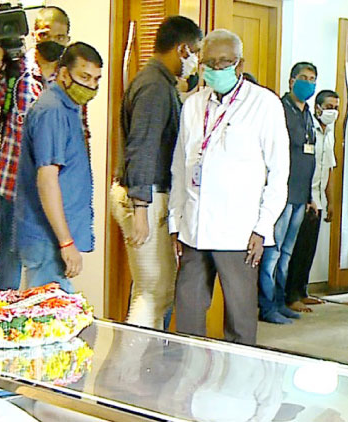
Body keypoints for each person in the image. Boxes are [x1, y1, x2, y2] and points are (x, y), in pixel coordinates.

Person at [168, 29, 289, 345]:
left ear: (240, 64)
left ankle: (239, 377)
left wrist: (262, 228)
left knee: (240, 322)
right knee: (188, 317)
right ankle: (188, 375)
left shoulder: (264, 104)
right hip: (194, 229)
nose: (216, 69)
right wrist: (175, 223)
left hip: (240, 233)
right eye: (209, 63)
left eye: (224, 63)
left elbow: (278, 174)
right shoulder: (193, 105)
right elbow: (180, 168)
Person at [0, 6, 73, 291]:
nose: (52, 41)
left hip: (55, 194)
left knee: (51, 275)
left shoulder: (70, 79)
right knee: (8, 273)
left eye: (60, 37)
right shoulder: (15, 71)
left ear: (68, 39)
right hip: (13, 191)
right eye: (45, 34)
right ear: (33, 34)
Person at [115, 15, 202, 329]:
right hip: (146, 195)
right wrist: (140, 208)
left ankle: (142, 356)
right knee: (154, 294)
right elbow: (143, 146)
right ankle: (133, 358)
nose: (196, 61)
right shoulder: (153, 87)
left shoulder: (159, 83)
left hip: (146, 193)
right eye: (196, 52)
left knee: (150, 291)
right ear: (182, 49)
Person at [13, 42, 102, 293]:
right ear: (64, 74)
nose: (91, 86)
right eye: (84, 77)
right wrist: (65, 242)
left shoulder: (68, 107)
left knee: (55, 310)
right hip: (47, 240)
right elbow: (47, 180)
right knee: (48, 311)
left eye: (96, 79)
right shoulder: (52, 111)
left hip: (53, 238)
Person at [258, 61, 318, 324]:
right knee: (272, 253)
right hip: (281, 193)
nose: (308, 83)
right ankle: (267, 305)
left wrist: (309, 197)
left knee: (286, 254)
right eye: (304, 78)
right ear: (292, 81)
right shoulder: (280, 109)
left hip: (300, 194)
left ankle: (280, 301)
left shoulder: (308, 115)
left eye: (312, 79)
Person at [286, 90, 339, 313]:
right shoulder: (308, 129)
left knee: (309, 249)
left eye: (336, 107)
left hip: (319, 199)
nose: (333, 112)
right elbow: (301, 166)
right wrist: (308, 197)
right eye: (328, 107)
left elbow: (330, 169)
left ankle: (302, 291)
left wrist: (331, 202)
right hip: (303, 198)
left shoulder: (330, 133)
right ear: (317, 108)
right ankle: (290, 296)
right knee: (296, 250)